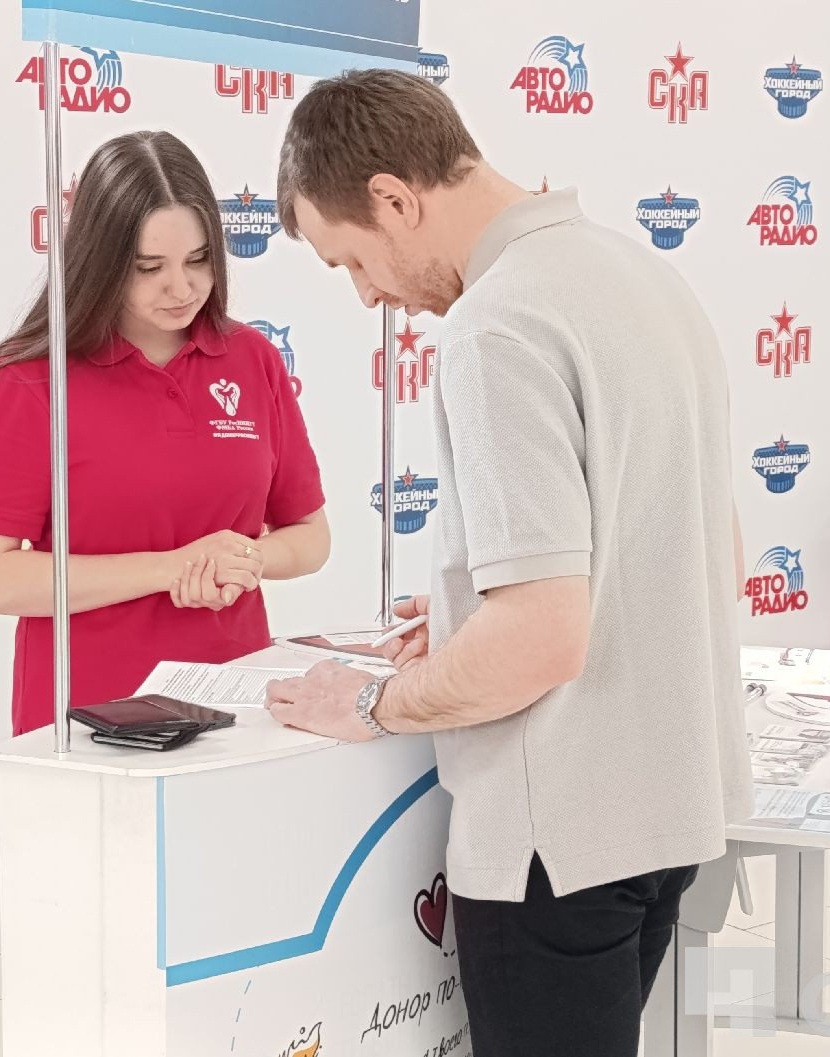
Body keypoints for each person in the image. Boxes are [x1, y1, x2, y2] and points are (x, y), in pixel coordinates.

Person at [262, 70, 751, 1057]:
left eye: (351, 260)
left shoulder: (498, 325)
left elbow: (538, 639)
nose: (369, 295)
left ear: (394, 199)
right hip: (669, 807)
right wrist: (463, 623)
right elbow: (693, 551)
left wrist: (371, 703)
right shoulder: (642, 275)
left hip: (556, 842)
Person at [0, 132, 331, 734]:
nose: (181, 288)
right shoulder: (30, 383)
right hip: (87, 723)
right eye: (149, 268)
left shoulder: (251, 358)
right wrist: (170, 569)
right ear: (99, 262)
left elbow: (310, 537)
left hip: (237, 708)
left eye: (198, 260)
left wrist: (242, 560)